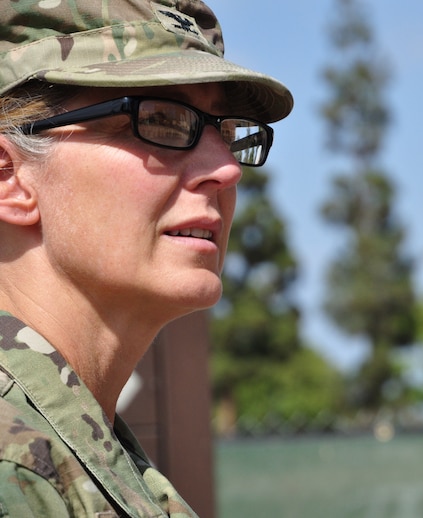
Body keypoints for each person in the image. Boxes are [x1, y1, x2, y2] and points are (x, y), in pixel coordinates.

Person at [0, 0, 292, 516]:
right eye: (160, 120)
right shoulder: (17, 467)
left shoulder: (83, 460)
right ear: (9, 177)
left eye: (225, 132)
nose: (227, 169)